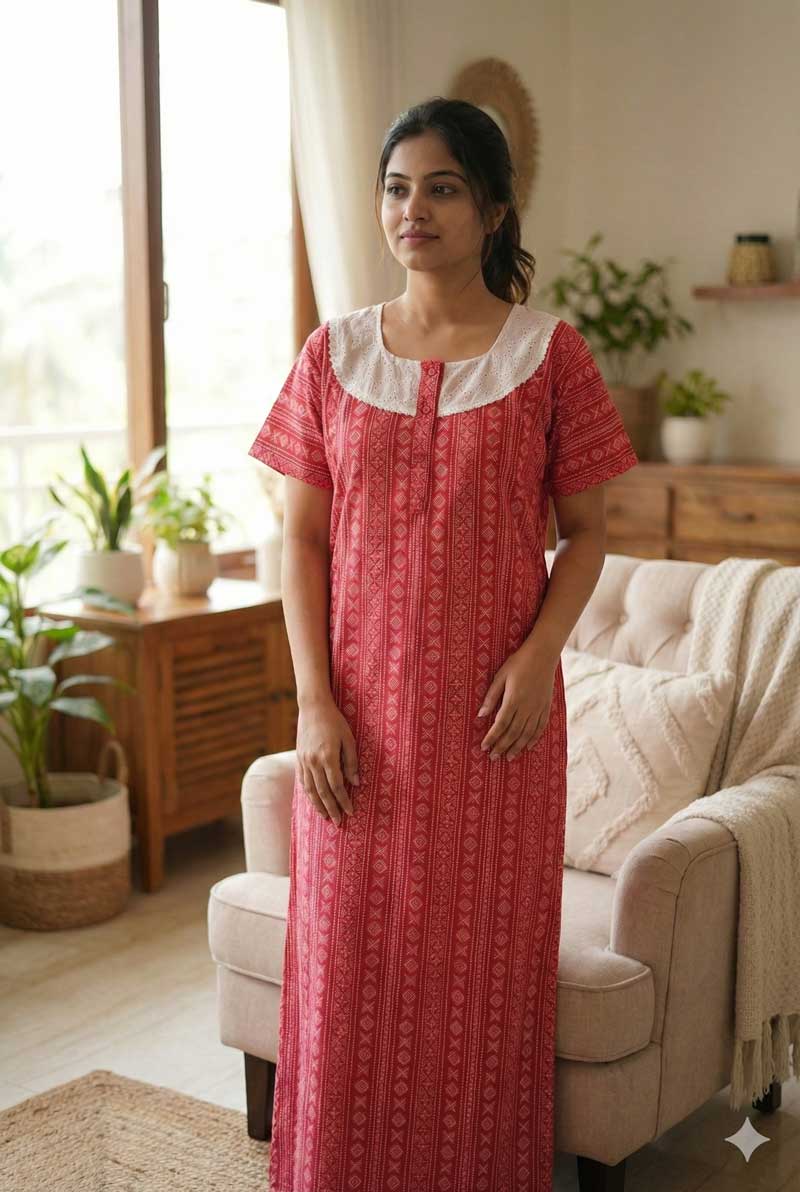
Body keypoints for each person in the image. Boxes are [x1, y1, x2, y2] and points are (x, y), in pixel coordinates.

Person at [248, 96, 639, 1192]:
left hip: (492, 736)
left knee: (477, 981)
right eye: (395, 188)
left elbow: (589, 531)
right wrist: (312, 703)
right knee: (349, 975)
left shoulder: (551, 356)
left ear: (494, 209)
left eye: (441, 188)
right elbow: (301, 540)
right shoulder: (329, 355)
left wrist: (538, 655)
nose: (411, 209)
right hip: (355, 734)